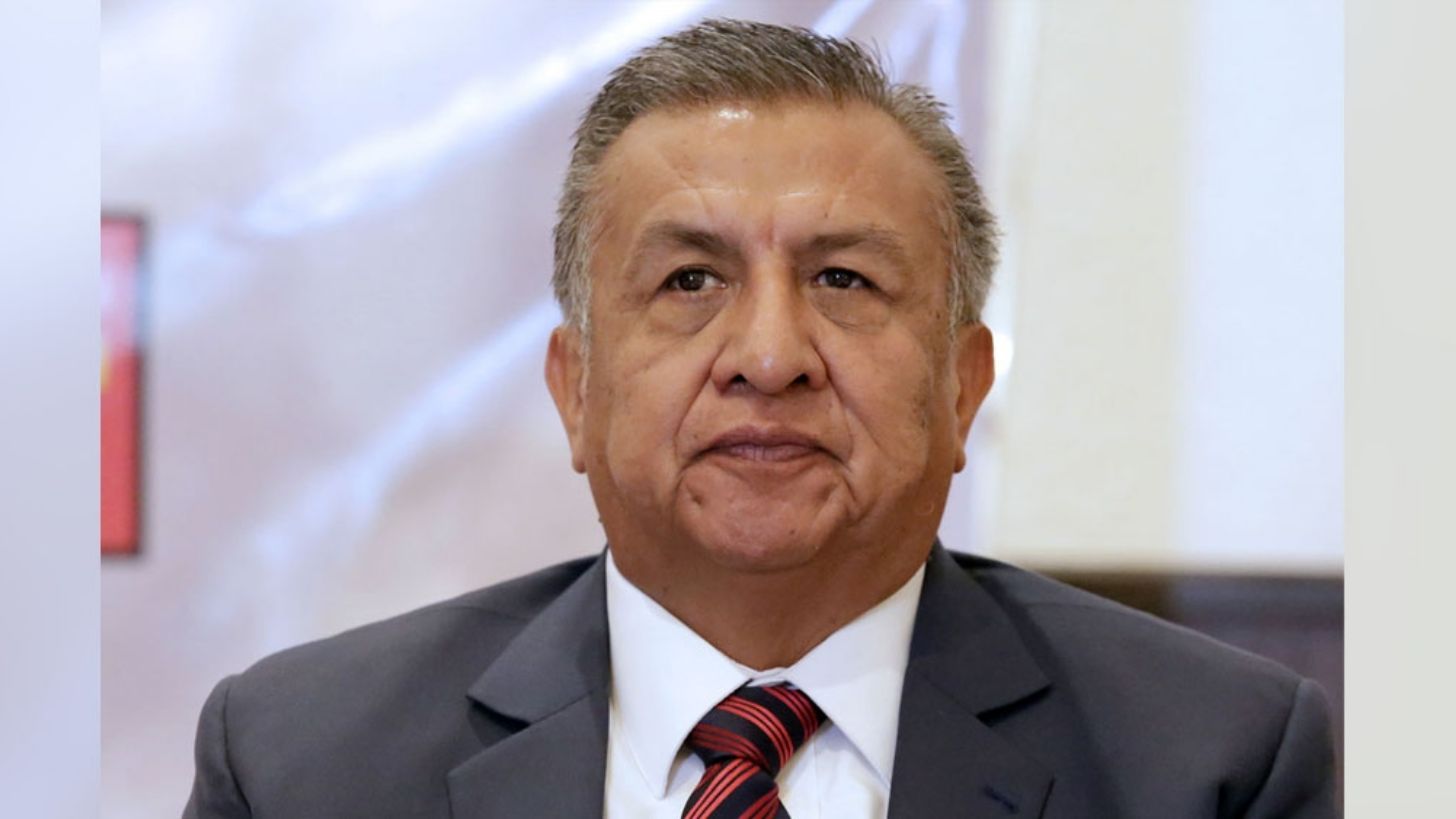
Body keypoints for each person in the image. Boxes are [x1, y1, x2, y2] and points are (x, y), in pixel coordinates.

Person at [184, 19, 1337, 819]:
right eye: (689, 280)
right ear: (574, 389)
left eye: (844, 279)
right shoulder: (304, 766)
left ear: (960, 389)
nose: (770, 358)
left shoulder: (1209, 764)